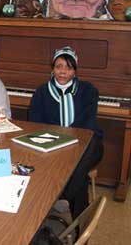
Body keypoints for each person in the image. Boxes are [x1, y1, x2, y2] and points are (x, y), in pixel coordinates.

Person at [29, 46, 103, 217]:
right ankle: (81, 230)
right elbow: (36, 125)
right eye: (59, 66)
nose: (63, 72)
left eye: (68, 68)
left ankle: (62, 196)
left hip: (86, 146)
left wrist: (69, 142)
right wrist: (57, 142)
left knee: (85, 152)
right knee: (81, 177)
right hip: (53, 146)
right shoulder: (41, 92)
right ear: (52, 69)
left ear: (75, 71)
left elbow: (87, 125)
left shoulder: (88, 90)